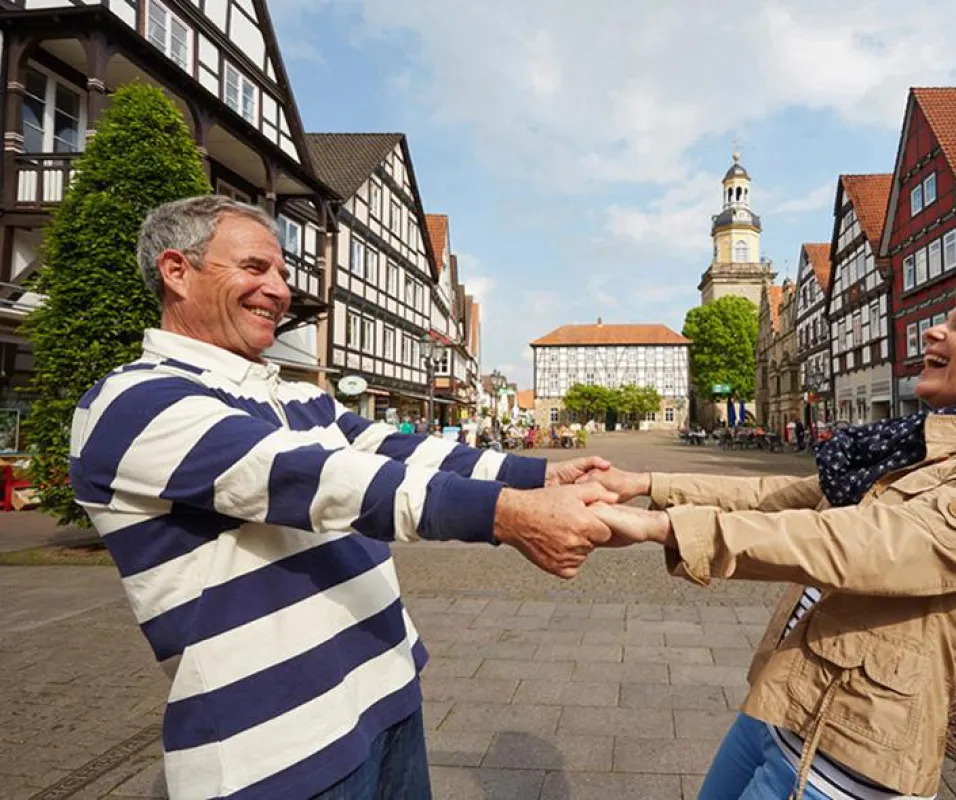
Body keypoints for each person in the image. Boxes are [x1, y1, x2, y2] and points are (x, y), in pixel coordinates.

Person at [68, 196, 617, 800]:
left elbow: (399, 452)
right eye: (254, 268)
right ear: (177, 271)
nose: (278, 290)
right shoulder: (133, 402)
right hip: (275, 744)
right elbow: (319, 479)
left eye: (280, 272)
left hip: (385, 693)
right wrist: (505, 516)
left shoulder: (298, 396)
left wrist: (538, 478)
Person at [586, 279, 956, 800]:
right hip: (782, 707)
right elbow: (782, 494)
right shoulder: (919, 450)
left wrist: (664, 527)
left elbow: (857, 543)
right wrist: (645, 485)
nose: (934, 331)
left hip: (844, 759)